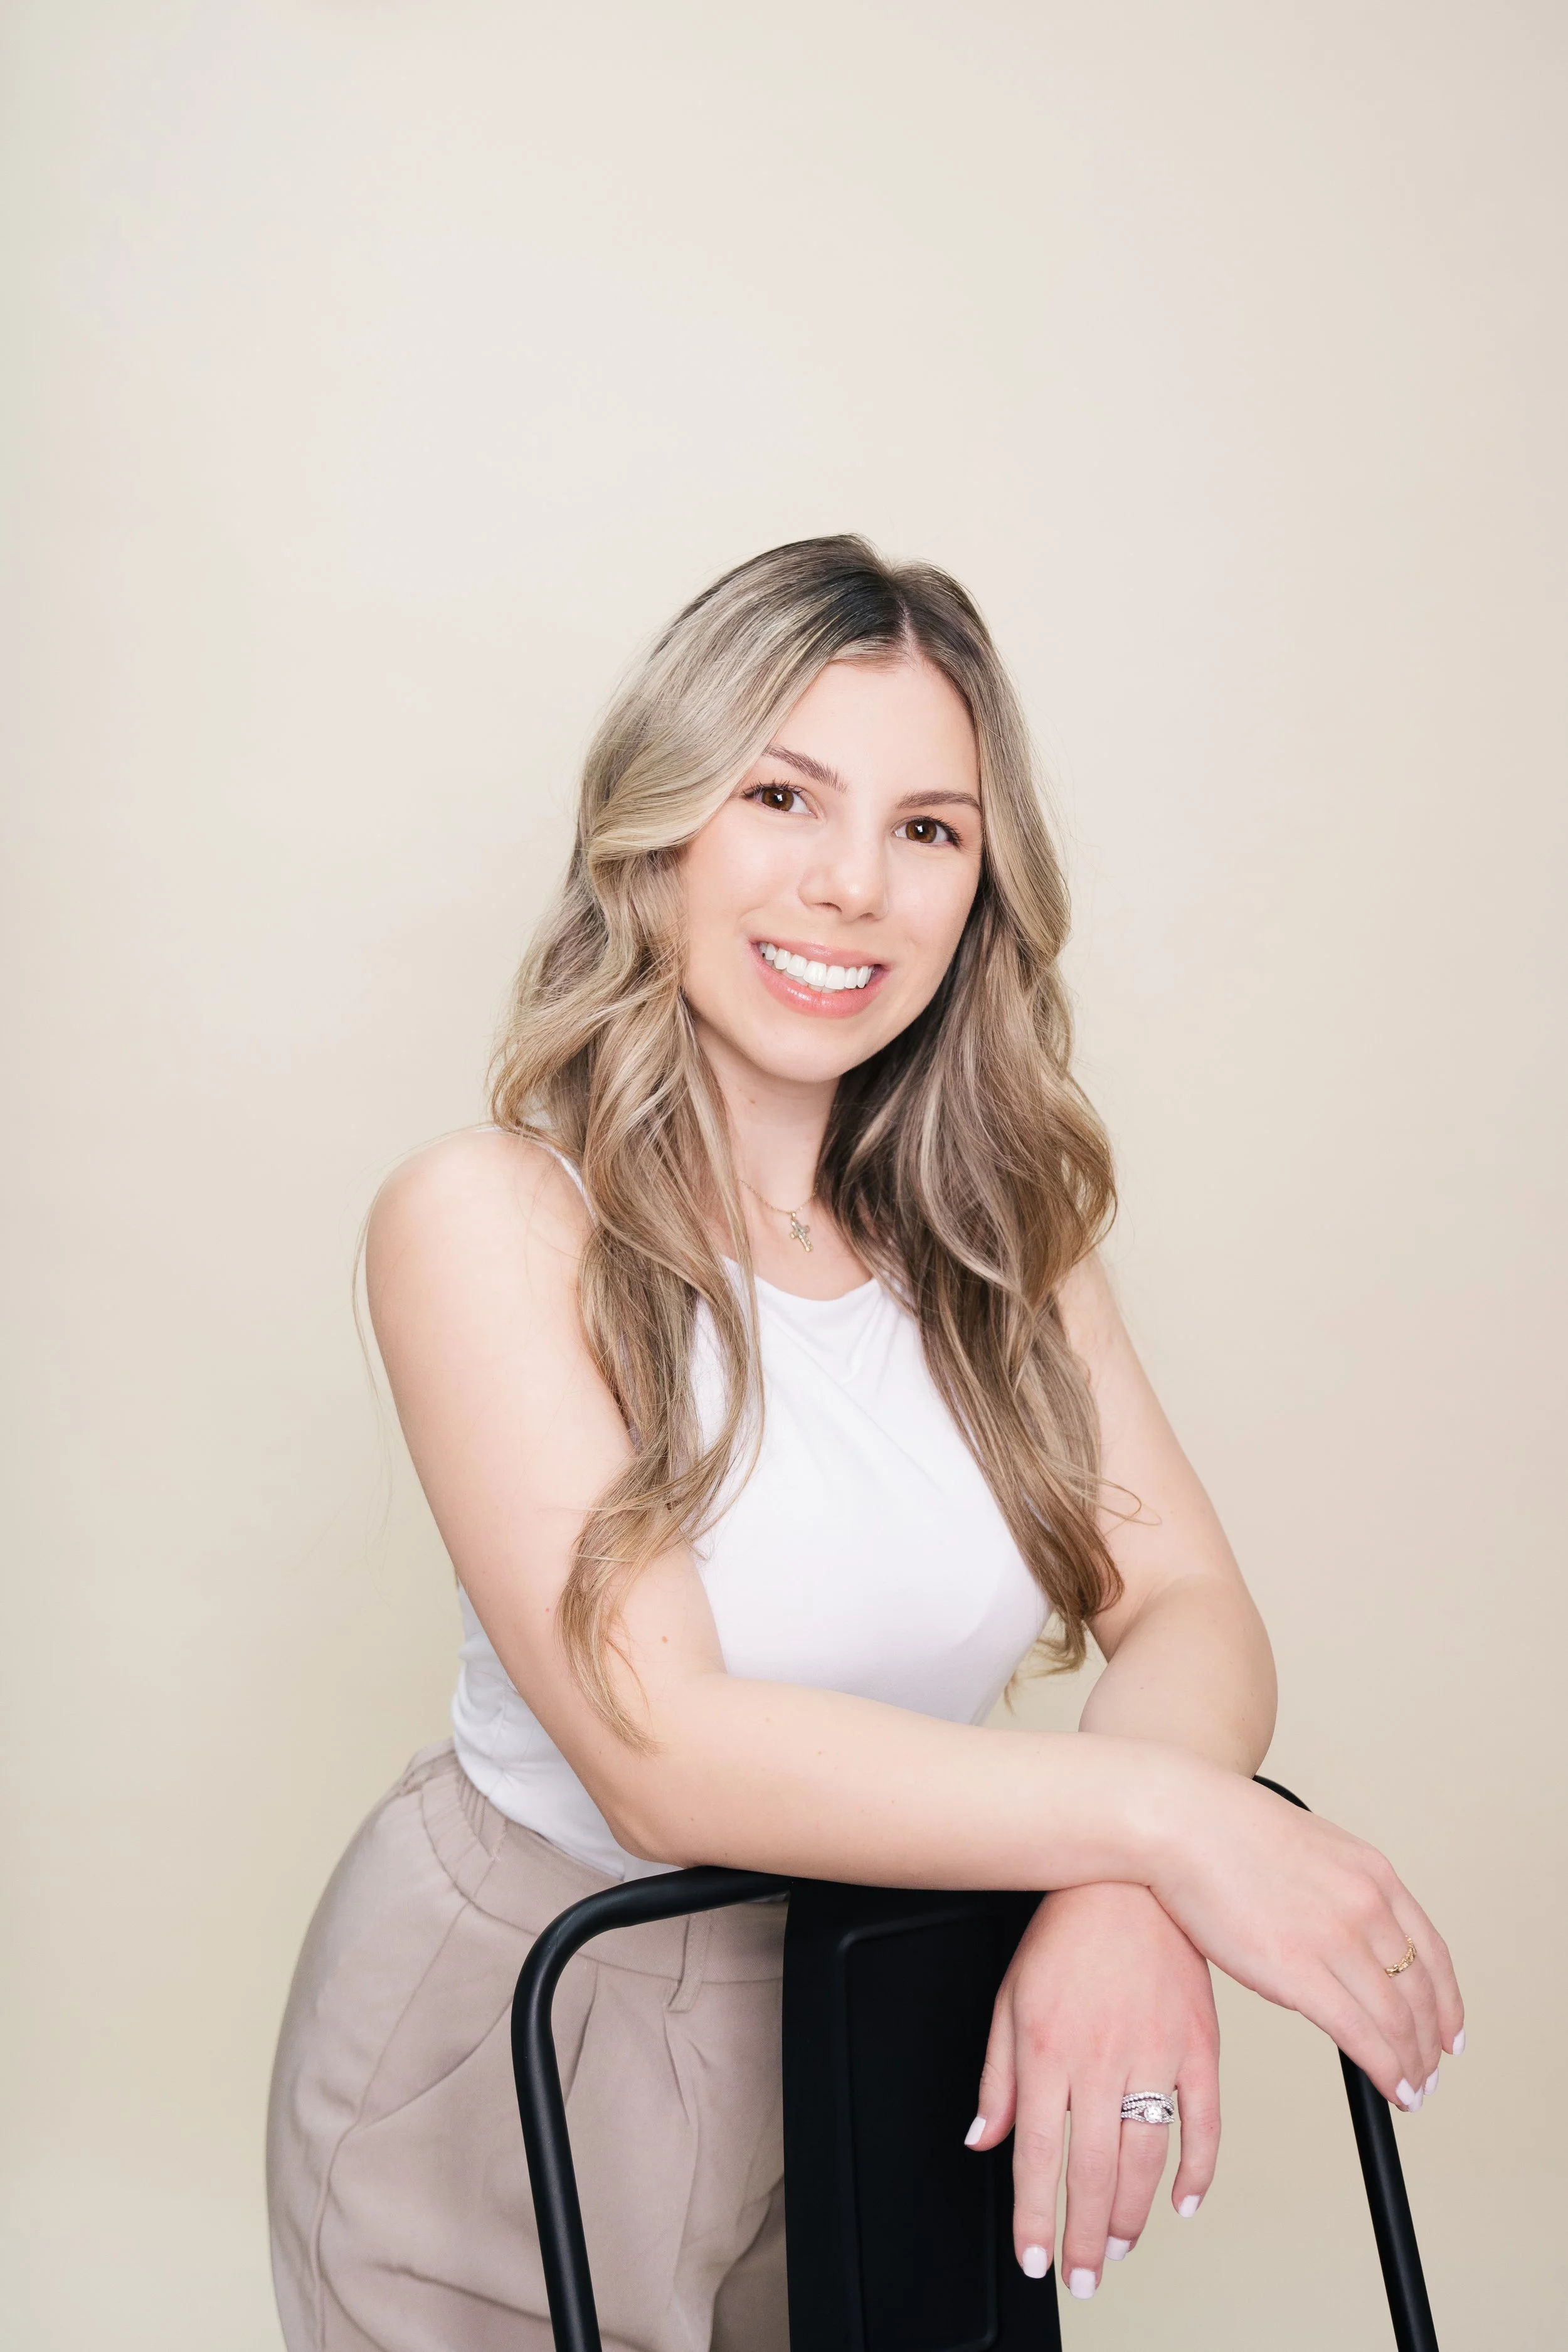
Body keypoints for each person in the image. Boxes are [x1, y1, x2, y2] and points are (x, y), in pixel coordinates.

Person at [267, 536, 1462, 2352]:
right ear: (657, 828)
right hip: (532, 2017)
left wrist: (1114, 1894)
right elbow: (666, 1751)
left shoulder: (1002, 1242)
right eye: (781, 795)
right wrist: (1167, 1823)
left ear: (982, 884)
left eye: (927, 827)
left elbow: (1192, 1606)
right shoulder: (491, 1217)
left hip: (888, 1997)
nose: (850, 885)